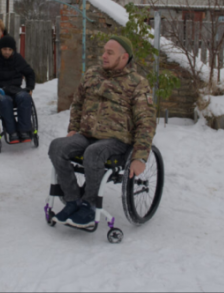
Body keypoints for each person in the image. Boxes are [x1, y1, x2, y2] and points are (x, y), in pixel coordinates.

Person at [48, 35, 156, 228]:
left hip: (117, 141)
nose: (103, 56)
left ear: (124, 58)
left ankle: (89, 205)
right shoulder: (91, 74)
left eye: (110, 53)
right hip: (87, 135)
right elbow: (78, 103)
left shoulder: (137, 83)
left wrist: (140, 157)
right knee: (57, 147)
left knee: (94, 152)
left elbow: (146, 121)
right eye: (104, 51)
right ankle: (73, 200)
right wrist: (73, 129)